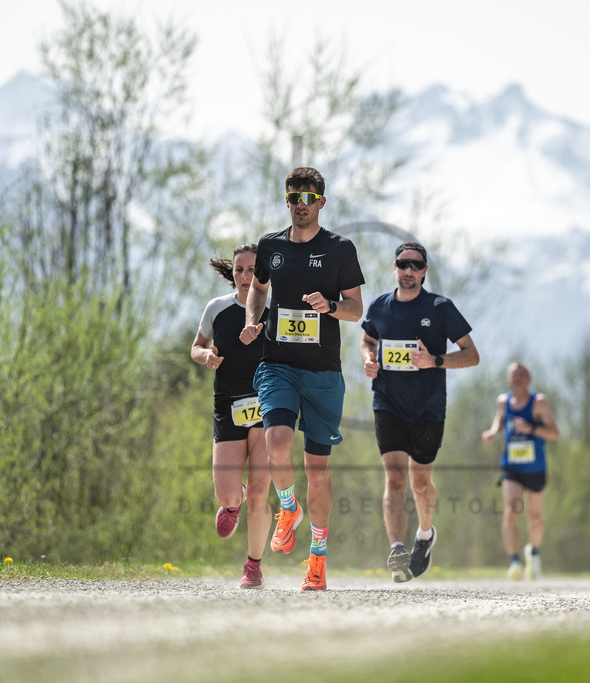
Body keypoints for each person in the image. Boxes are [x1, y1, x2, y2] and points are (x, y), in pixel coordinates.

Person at [240, 167, 365, 591]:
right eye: (294, 198)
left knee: (317, 472)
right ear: (287, 201)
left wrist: (329, 306)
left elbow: (355, 309)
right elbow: (259, 288)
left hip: (323, 374)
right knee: (276, 441)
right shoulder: (271, 246)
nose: (301, 205)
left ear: (322, 203)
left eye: (309, 198)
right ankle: (287, 508)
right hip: (278, 363)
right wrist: (253, 320)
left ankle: (317, 557)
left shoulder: (340, 249)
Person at [360, 242, 479, 583]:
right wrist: (367, 360)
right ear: (395, 267)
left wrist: (435, 360)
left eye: (415, 265)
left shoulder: (440, 308)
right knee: (395, 478)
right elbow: (367, 340)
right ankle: (397, 549)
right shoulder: (380, 306)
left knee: (421, 482)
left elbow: (472, 355)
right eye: (402, 264)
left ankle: (424, 537)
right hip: (388, 402)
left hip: (428, 408)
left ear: (424, 271)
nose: (408, 271)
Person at [191, 244, 271, 588]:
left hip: (269, 405)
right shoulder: (218, 308)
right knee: (228, 496)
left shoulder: (276, 307)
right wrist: (206, 355)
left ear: (262, 273)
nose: (244, 276)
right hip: (228, 405)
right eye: (239, 270)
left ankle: (253, 565)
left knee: (259, 493)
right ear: (233, 273)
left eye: (252, 269)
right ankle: (231, 500)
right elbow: (196, 346)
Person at [481, 362, 560, 580]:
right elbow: (499, 420)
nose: (518, 379)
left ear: (529, 379)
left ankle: (533, 552)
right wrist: (492, 432)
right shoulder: (503, 402)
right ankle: (514, 562)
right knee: (512, 510)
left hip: (535, 468)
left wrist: (531, 428)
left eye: (522, 375)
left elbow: (555, 433)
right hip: (511, 467)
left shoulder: (539, 403)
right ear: (508, 380)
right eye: (514, 375)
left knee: (535, 518)